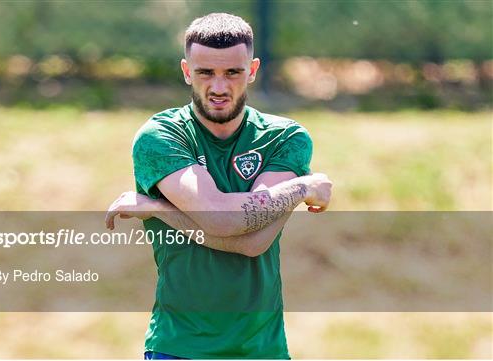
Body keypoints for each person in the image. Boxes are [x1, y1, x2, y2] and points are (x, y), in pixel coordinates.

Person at [105, 13, 332, 360]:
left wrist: (158, 210)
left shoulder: (284, 138)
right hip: (178, 349)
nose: (219, 88)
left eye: (233, 73)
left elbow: (254, 242)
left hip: (263, 351)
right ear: (186, 71)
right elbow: (222, 221)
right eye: (205, 72)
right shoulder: (161, 137)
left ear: (253, 70)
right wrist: (302, 189)